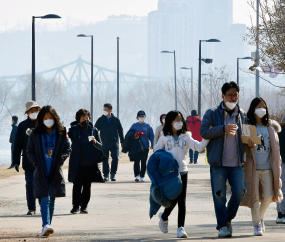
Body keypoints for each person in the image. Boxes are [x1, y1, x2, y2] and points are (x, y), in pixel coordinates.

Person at [200, 82, 247, 238]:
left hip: (237, 163)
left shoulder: (242, 114)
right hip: (218, 164)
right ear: (223, 96)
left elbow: (247, 134)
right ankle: (223, 227)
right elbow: (203, 132)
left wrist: (251, 141)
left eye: (236, 95)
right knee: (219, 196)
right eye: (230, 95)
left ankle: (226, 218)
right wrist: (223, 129)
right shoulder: (212, 113)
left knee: (240, 192)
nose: (233, 98)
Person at [155, 110, 209, 238]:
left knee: (182, 201)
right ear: (169, 122)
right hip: (169, 174)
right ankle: (164, 216)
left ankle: (181, 228)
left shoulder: (186, 136)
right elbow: (156, 154)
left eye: (180, 120)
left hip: (183, 171)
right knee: (172, 199)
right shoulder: (163, 138)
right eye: (175, 120)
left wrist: (207, 137)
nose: (178, 122)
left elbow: (199, 147)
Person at [26, 105, 71, 236]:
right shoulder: (35, 133)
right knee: (44, 197)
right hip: (41, 170)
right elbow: (29, 151)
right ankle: (45, 225)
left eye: (50, 117)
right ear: (41, 119)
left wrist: (61, 160)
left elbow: (67, 149)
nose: (48, 119)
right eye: (45, 117)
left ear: (55, 118)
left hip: (55, 170)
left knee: (52, 198)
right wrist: (36, 163)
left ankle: (47, 225)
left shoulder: (62, 133)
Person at [240, 97, 283, 236]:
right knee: (255, 198)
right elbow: (243, 146)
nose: (262, 109)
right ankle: (257, 225)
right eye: (258, 107)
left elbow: (275, 148)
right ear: (253, 109)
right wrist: (249, 145)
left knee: (269, 195)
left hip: (268, 168)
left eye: (264, 106)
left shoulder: (270, 127)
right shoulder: (248, 126)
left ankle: (260, 218)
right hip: (253, 168)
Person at [68, 109, 105, 214]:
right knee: (77, 185)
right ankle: (75, 206)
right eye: (83, 118)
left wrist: (95, 141)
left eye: (87, 117)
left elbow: (100, 145)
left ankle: (84, 207)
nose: (85, 120)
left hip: (90, 164)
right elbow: (66, 135)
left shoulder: (94, 130)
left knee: (87, 186)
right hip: (78, 163)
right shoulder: (74, 130)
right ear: (78, 119)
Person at [13, 100, 41, 215]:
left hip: (42, 162)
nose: (34, 112)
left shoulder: (43, 124)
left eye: (35, 110)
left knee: (41, 186)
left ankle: (43, 207)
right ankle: (31, 208)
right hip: (28, 161)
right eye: (32, 110)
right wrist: (15, 161)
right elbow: (17, 144)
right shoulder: (22, 126)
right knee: (29, 185)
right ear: (27, 112)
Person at [95, 103, 124, 182]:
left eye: (106, 110)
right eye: (104, 110)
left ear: (110, 110)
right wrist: (95, 140)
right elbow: (95, 130)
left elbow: (120, 131)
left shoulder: (116, 120)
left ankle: (113, 173)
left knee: (115, 158)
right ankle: (106, 175)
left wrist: (122, 141)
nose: (104, 112)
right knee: (105, 159)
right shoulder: (100, 120)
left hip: (114, 143)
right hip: (104, 143)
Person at [129, 110, 154, 182]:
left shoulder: (147, 126)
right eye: (140, 116)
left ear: (145, 117)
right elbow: (129, 134)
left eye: (143, 116)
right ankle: (136, 175)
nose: (141, 118)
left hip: (145, 147)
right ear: (137, 117)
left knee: (143, 161)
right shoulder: (134, 126)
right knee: (136, 161)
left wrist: (152, 144)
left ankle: (142, 176)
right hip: (136, 147)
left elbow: (151, 136)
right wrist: (135, 135)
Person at [276, 114, 285, 224]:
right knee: (282, 190)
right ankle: (282, 214)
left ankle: (280, 214)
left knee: (280, 189)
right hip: (282, 163)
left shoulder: (279, 131)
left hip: (279, 163)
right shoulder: (281, 132)